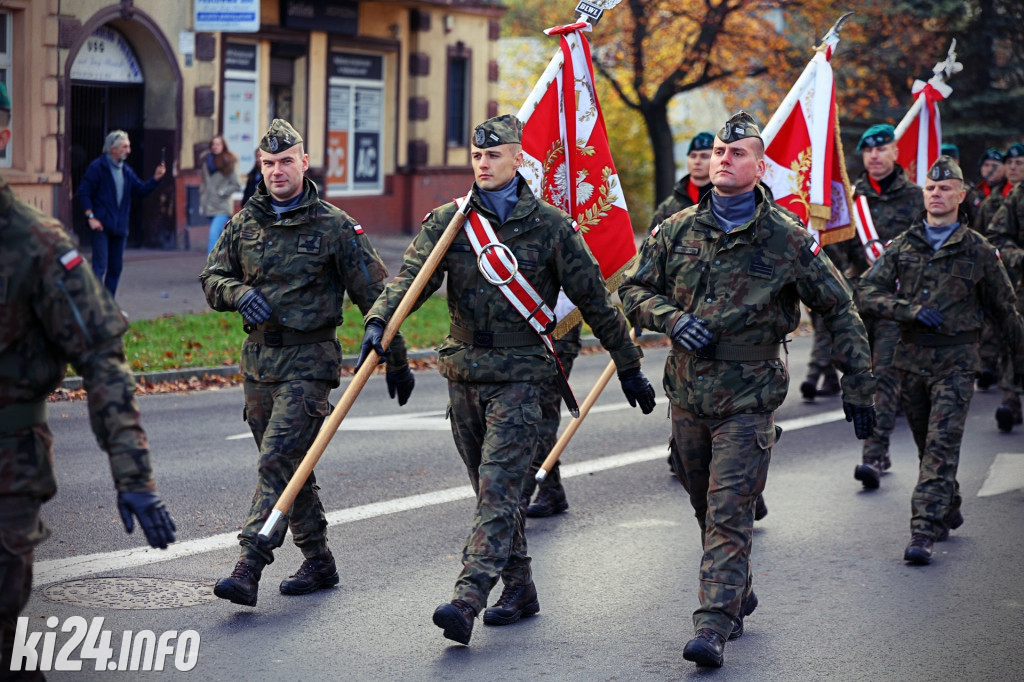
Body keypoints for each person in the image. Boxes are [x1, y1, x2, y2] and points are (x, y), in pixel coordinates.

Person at [361, 114, 656, 646]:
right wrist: (381, 323)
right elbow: (408, 281)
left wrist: (629, 367)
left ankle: (467, 597)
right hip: (464, 373)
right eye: (476, 156)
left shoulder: (549, 226)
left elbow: (596, 300)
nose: (483, 164)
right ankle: (519, 587)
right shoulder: (450, 222)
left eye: (494, 156)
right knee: (490, 492)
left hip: (523, 379)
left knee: (498, 494)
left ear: (520, 159)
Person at [619, 111, 876, 668]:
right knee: (701, 504)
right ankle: (736, 589)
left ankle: (712, 625)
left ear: (760, 167)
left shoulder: (787, 238)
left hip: (750, 396)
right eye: (717, 153)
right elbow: (631, 289)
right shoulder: (677, 229)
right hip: (687, 394)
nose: (723, 160)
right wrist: (669, 317)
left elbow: (840, 306)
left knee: (729, 510)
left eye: (737, 154)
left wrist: (858, 382)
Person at [0, 82, 176, 674]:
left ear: (3, 135)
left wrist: (135, 476)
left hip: (7, 469)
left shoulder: (36, 245)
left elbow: (103, 360)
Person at [199, 119, 413, 608]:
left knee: (276, 461)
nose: (277, 171)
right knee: (291, 465)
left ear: (304, 162)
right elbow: (211, 277)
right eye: (269, 163)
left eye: (285, 162)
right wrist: (236, 292)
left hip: (309, 361)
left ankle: (249, 563)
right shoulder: (244, 222)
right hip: (258, 363)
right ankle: (318, 559)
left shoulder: (335, 226)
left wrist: (396, 359)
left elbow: (377, 295)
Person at [859, 156, 1024, 565]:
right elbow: (866, 291)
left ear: (961, 196)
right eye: (931, 188)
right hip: (910, 360)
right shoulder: (904, 246)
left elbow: (1005, 311)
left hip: (956, 363)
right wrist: (906, 310)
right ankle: (948, 505)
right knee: (924, 446)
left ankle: (923, 531)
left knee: (940, 447)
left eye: (945, 188)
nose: (936, 194)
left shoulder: (979, 250)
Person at [848, 124, 924, 490]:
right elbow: (837, 250)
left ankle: (873, 456)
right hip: (859, 304)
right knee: (858, 376)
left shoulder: (917, 198)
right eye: (868, 151)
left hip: (898, 304)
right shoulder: (850, 199)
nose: (874, 156)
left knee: (886, 378)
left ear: (895, 152)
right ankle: (880, 446)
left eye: (881, 149)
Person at [77, 129, 166, 296]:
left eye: (129, 146)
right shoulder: (98, 167)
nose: (129, 150)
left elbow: (140, 190)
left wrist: (156, 179)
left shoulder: (126, 170)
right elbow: (84, 192)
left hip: (120, 227)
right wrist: (91, 217)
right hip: (100, 226)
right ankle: (94, 304)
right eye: (125, 147)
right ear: (113, 149)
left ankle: (108, 304)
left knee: (116, 268)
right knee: (99, 266)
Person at [519, 315, 582, 519]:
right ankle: (551, 488)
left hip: (559, 329)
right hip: (523, 328)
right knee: (523, 411)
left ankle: (519, 496)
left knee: (539, 414)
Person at [985, 145, 1024, 431]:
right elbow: (996, 236)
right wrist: (1018, 257)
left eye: (1018, 162)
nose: (1013, 167)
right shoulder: (1017, 198)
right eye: (1009, 162)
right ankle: (1011, 398)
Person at [974, 147, 1010, 390]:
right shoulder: (979, 197)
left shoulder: (1011, 195)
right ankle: (989, 363)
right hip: (991, 262)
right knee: (989, 313)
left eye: (995, 166)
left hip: (1012, 263)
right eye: (986, 165)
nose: (990, 170)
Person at [648, 131, 715, 231]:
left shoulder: (724, 201)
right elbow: (650, 243)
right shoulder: (668, 207)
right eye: (693, 156)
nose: (697, 161)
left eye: (704, 156)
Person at [200, 134, 241, 254]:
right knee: (218, 239)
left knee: (213, 235)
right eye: (213, 144)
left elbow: (236, 184)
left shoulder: (229, 162)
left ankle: (210, 267)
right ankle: (223, 265)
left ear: (223, 146)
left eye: (218, 144)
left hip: (222, 206)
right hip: (209, 205)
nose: (215, 146)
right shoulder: (207, 162)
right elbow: (204, 184)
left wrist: (222, 192)